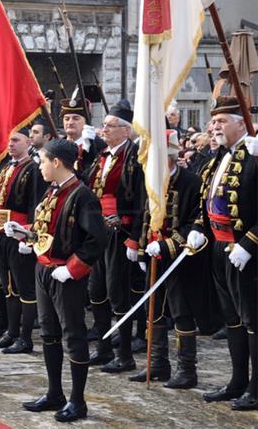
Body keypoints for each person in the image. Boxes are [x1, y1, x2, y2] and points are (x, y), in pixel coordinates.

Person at [16, 139, 106, 423]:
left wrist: (73, 268)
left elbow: (97, 239)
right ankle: (55, 392)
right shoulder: (52, 190)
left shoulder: (82, 195)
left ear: (56, 162)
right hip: (44, 270)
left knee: (74, 336)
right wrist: (25, 235)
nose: (40, 166)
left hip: (65, 275)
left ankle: (78, 401)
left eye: (43, 161)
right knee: (49, 334)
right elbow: (47, 228)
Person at [189, 96, 257, 410]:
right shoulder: (219, 156)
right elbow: (210, 198)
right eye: (214, 121)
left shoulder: (254, 154)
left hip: (245, 249)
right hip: (218, 245)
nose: (215, 127)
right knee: (230, 318)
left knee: (251, 319)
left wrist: (249, 243)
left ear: (242, 123)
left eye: (222, 121)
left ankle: (256, 388)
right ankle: (237, 380)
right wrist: (199, 228)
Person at [129, 130, 210, 388]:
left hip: (180, 258)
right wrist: (142, 249)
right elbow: (144, 216)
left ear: (172, 158)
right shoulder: (150, 181)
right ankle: (157, 365)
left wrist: (166, 245)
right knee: (152, 312)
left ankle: (187, 370)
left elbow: (196, 222)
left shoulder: (191, 182)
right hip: (153, 257)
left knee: (181, 312)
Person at [84, 102, 145, 373]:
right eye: (104, 125)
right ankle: (104, 347)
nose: (103, 129)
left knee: (117, 292)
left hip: (119, 232)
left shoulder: (134, 156)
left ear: (125, 130)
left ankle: (125, 355)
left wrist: (133, 233)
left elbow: (142, 199)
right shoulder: (102, 155)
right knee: (96, 290)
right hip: (97, 230)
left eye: (109, 126)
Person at [0, 129, 47, 353]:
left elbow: (36, 205)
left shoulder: (34, 169)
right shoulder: (6, 167)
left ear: (28, 142)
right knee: (8, 287)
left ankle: (26, 337)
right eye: (9, 140)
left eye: (16, 140)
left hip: (18, 234)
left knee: (24, 287)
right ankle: (11, 331)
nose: (11, 144)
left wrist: (27, 237)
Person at [59, 96, 104, 174]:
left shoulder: (98, 145)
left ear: (86, 122)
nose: (70, 122)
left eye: (76, 118)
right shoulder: (58, 144)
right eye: (66, 119)